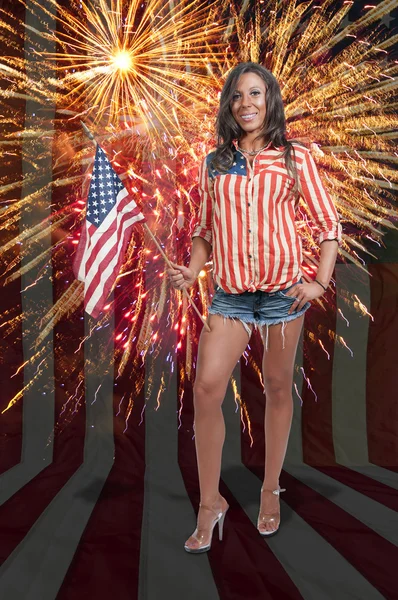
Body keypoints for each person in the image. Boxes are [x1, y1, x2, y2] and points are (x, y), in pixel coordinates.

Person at [167, 62, 342, 553]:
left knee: (279, 387)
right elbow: (204, 231)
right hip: (231, 296)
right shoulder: (214, 163)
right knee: (206, 387)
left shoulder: (294, 157)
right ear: (230, 103)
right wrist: (193, 269)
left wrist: (319, 282)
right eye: (239, 95)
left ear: (270, 101)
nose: (247, 104)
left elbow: (329, 225)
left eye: (256, 94)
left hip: (284, 296)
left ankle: (270, 489)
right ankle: (209, 504)